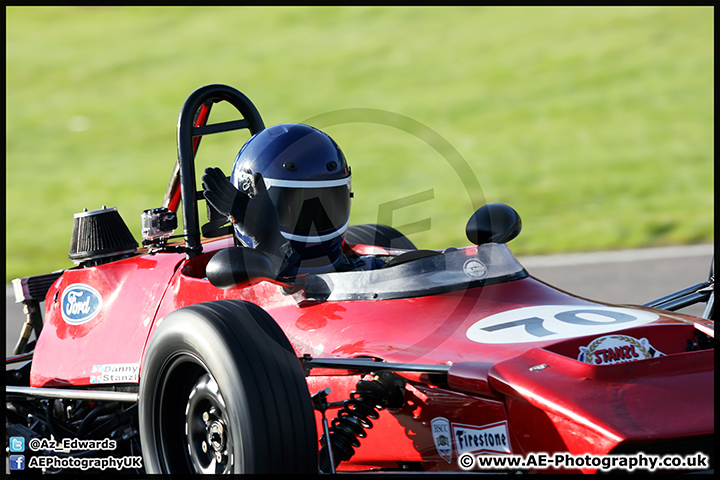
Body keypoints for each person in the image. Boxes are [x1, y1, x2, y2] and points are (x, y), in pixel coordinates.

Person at [202, 123, 382, 276]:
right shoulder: (239, 279)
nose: (315, 223)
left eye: (329, 205)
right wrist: (267, 241)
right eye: (296, 209)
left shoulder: (370, 269)